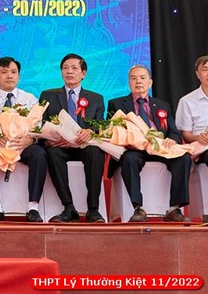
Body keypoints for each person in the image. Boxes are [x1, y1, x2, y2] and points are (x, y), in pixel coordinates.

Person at [108, 65, 190, 222]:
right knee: (129, 159)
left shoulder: (162, 105)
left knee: (184, 158)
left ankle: (175, 208)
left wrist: (172, 139)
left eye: (142, 78)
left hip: (160, 148)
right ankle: (138, 208)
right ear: (129, 83)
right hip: (134, 149)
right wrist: (129, 141)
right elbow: (112, 131)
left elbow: (174, 131)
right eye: (133, 78)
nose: (138, 81)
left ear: (150, 82)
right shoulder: (116, 104)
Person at [0, 56, 47, 222]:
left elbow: (38, 126)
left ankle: (33, 208)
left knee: (39, 154)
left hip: (23, 145)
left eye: (13, 72)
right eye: (4, 72)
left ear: (19, 76)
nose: (9, 76)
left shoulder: (29, 99)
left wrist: (31, 140)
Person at [39, 53, 106, 223]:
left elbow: (101, 125)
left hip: (84, 146)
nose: (69, 71)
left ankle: (93, 209)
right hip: (60, 146)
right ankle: (68, 208)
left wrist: (90, 131)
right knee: (52, 154)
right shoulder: (48, 95)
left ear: (83, 73)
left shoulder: (96, 98)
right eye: (65, 68)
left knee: (95, 152)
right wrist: (50, 140)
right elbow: (41, 124)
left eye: (74, 68)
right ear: (61, 72)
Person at [176, 54, 208, 169]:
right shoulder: (186, 101)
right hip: (202, 146)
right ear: (197, 74)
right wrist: (199, 137)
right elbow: (186, 135)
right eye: (205, 69)